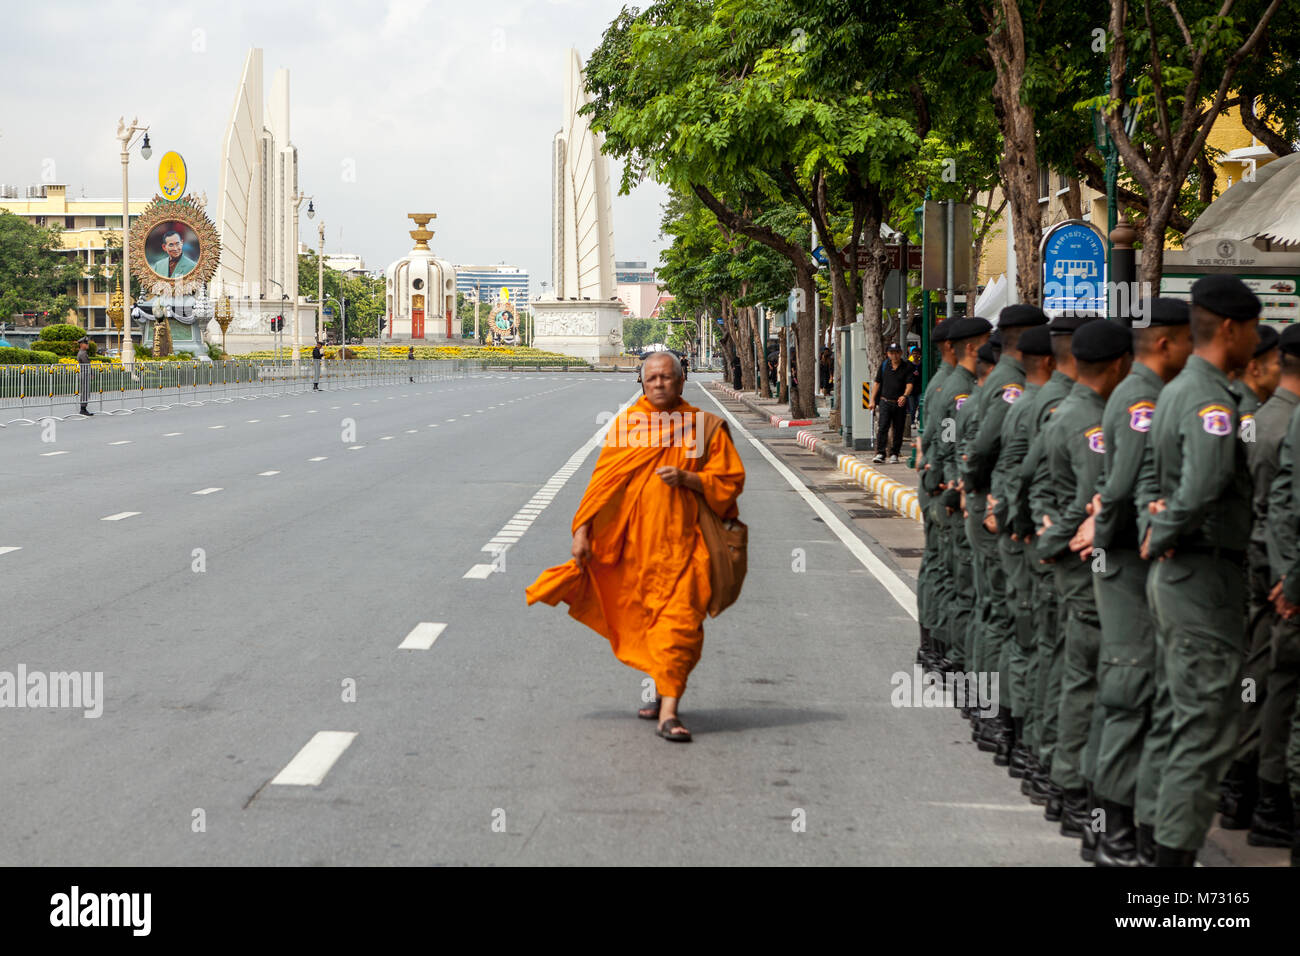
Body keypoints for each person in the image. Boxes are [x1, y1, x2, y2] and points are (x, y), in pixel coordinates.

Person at [526, 351, 746, 742]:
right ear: (643, 385)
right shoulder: (629, 426)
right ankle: (662, 689)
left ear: (682, 382)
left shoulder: (704, 427)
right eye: (652, 379)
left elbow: (729, 485)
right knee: (646, 623)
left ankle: (669, 712)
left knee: (679, 626)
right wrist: (582, 532)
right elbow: (601, 486)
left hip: (690, 548)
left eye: (667, 377)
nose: (659, 384)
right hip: (635, 551)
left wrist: (691, 480)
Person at [1135, 273, 1260, 866]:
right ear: (1232, 329)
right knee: (1204, 725)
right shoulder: (1211, 401)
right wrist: (1167, 526)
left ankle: (1151, 842)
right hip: (1203, 575)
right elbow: (1204, 485)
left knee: (1173, 713)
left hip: (1177, 573)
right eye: (1255, 330)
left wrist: (1156, 525)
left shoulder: (1176, 393)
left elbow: (1151, 486)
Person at [1084, 298, 1193, 867]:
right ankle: (1111, 825)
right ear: (1164, 343)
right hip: (1125, 555)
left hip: (1126, 552)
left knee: (1127, 685)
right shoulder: (1141, 396)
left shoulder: (1138, 392)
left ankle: (1110, 820)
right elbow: (1124, 482)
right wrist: (1099, 533)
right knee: (1129, 685)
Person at [1034, 318, 1133, 863]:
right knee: (1089, 678)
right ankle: (1074, 790)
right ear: (1118, 365)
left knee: (1073, 670)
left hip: (1071, 559)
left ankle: (1063, 783)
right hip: (1084, 564)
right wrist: (1057, 537)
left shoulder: (1067, 410)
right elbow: (1090, 502)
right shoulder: (1088, 421)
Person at [961, 304, 1049, 766]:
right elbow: (985, 449)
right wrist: (979, 489)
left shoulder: (1003, 382)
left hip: (993, 506)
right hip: (1001, 512)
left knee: (993, 608)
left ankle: (988, 710)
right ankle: (997, 716)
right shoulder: (1015, 387)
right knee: (1007, 614)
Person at [870, 342, 913, 463]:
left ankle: (895, 453)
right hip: (885, 401)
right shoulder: (884, 366)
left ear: (901, 353)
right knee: (883, 426)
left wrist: (905, 396)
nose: (894, 356)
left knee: (899, 428)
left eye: (897, 353)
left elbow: (910, 384)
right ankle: (880, 453)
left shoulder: (907, 367)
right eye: (891, 353)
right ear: (888, 354)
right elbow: (877, 383)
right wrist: (872, 400)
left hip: (899, 403)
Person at [77, 337, 94, 417]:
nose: (87, 345)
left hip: (85, 374)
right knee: (85, 391)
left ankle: (83, 408)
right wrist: (91, 373)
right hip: (85, 374)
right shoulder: (82, 353)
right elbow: (87, 364)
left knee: (86, 391)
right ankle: (83, 409)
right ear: (81, 344)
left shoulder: (83, 352)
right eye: (86, 343)